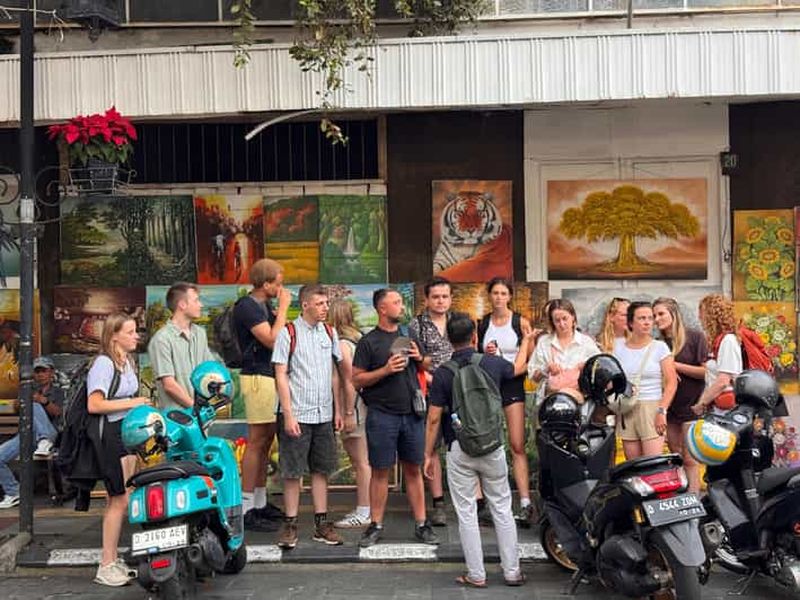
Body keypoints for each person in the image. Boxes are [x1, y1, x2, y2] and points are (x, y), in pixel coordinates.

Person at [424, 312, 532, 588]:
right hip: (493, 446)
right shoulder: (493, 364)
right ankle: (512, 572)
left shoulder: (444, 374)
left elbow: (434, 418)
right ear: (474, 336)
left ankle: (476, 574)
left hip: (460, 448)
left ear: (449, 339)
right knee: (502, 508)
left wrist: (428, 454)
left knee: (466, 512)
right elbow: (518, 368)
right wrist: (528, 341)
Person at [352, 288, 439, 547]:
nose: (401, 307)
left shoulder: (408, 334)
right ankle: (375, 525)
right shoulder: (369, 342)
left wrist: (419, 358)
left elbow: (426, 365)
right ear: (382, 308)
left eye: (401, 302)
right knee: (381, 471)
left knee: (413, 469)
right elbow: (356, 379)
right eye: (396, 302)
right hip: (381, 415)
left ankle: (422, 524)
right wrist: (385, 370)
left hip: (412, 414)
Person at [273, 285, 343, 548]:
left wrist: (337, 409)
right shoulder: (288, 333)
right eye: (320, 303)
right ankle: (290, 524)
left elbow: (334, 373)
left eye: (327, 302)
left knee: (321, 469)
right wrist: (288, 414)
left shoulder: (329, 332)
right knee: (292, 472)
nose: (326, 307)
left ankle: (321, 523)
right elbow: (280, 374)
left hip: (323, 411)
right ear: (305, 305)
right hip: (297, 411)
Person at [87, 314, 152, 587]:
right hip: (109, 436)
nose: (136, 335)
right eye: (130, 331)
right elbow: (95, 404)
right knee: (117, 499)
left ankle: (113, 559)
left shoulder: (127, 363)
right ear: (114, 336)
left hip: (125, 434)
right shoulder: (104, 364)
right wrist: (133, 402)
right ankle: (106, 564)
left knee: (124, 496)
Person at [233, 258, 291, 531]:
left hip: (269, 375)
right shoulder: (247, 306)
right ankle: (245, 508)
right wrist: (283, 311)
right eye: (278, 284)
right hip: (257, 377)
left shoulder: (262, 305)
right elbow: (270, 338)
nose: (281, 289)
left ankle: (259, 501)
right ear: (265, 284)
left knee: (267, 440)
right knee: (256, 441)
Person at [475, 277, 537, 527]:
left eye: (503, 293)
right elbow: (476, 354)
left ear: (510, 296)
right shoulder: (482, 324)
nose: (499, 297)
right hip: (489, 385)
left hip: (512, 382)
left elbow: (529, 357)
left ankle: (525, 501)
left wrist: (510, 361)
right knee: (486, 442)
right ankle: (487, 503)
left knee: (517, 443)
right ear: (489, 296)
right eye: (495, 293)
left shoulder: (519, 322)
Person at [408, 276, 454, 527]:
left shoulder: (459, 321)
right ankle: (438, 503)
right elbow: (417, 360)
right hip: (430, 390)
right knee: (432, 446)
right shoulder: (417, 325)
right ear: (426, 299)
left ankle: (474, 501)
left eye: (445, 296)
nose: (440, 301)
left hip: (458, 391)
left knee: (460, 445)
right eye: (435, 296)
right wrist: (432, 377)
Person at [653, 297, 707, 493]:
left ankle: (694, 500)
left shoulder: (694, 337)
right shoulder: (657, 344)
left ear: (673, 314)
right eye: (654, 315)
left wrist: (674, 365)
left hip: (691, 405)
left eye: (661, 314)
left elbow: (704, 372)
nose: (657, 319)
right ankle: (680, 497)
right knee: (675, 455)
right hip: (669, 406)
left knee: (690, 457)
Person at [613, 301, 678, 460]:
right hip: (628, 408)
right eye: (642, 318)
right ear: (630, 322)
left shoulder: (660, 347)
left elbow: (671, 382)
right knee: (633, 465)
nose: (648, 322)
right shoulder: (618, 347)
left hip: (652, 407)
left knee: (652, 464)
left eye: (650, 318)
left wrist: (662, 410)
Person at [328, 299, 371, 529]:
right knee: (361, 460)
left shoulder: (343, 345)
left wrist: (347, 412)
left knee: (360, 460)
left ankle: (364, 510)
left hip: (354, 407)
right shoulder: (357, 339)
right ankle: (366, 507)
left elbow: (348, 380)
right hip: (357, 406)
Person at [0, 356, 64, 509]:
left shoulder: (59, 392)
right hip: (27, 435)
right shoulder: (28, 389)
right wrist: (20, 401)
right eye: (37, 371)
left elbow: (59, 413)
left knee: (35, 405)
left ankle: (45, 440)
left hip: (51, 434)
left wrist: (43, 401)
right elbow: (15, 408)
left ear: (51, 372)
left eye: (44, 371)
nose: (40, 374)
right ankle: (13, 492)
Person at [148, 282, 215, 410]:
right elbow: (169, 385)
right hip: (177, 420)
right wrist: (195, 408)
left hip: (202, 416)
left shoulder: (200, 333)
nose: (201, 305)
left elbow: (209, 369)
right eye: (196, 300)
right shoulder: (161, 339)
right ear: (182, 305)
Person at [528, 299, 601, 399]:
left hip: (579, 398)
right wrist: (546, 369)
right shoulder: (544, 342)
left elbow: (599, 368)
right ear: (552, 322)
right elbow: (534, 377)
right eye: (557, 320)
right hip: (550, 399)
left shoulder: (586, 342)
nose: (562, 324)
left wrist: (586, 368)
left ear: (573, 317)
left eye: (565, 319)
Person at [692, 294, 742, 417]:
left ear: (713, 316)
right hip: (718, 408)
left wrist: (701, 403)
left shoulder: (728, 340)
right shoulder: (719, 341)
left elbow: (723, 381)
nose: (699, 317)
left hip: (726, 410)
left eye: (702, 313)